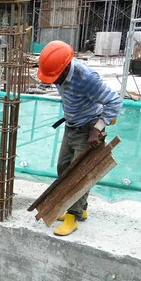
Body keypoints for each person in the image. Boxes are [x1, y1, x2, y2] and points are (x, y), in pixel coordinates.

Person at [37, 41, 122, 237]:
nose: (54, 82)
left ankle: (72, 216)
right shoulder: (60, 73)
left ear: (66, 68)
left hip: (88, 129)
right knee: (63, 168)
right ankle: (81, 208)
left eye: (56, 77)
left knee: (79, 173)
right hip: (71, 126)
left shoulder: (86, 79)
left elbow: (115, 101)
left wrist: (98, 128)